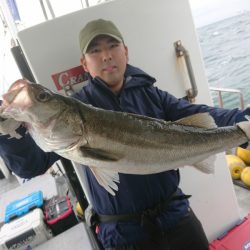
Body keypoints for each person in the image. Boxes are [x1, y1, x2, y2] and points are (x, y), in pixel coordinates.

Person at [0, 19, 250, 250]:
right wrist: (7, 135)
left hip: (177, 216)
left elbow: (202, 116)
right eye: (95, 50)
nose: (106, 55)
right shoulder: (75, 108)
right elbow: (31, 166)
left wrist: (244, 121)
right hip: (122, 234)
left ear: (126, 52)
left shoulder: (152, 94)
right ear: (85, 64)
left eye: (112, 46)